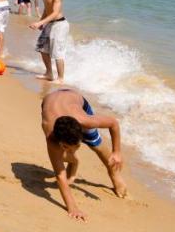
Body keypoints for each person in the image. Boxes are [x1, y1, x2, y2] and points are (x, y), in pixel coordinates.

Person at [41, 88, 127, 220]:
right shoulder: (51, 136)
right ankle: (74, 162)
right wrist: (73, 208)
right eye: (68, 147)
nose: (73, 150)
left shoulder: (85, 120)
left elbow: (114, 123)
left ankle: (114, 174)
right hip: (50, 100)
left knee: (96, 145)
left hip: (74, 99)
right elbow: (60, 176)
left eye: (77, 147)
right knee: (58, 156)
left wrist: (117, 152)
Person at [30, 0, 69, 81]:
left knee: (57, 53)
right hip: (49, 23)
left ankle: (61, 78)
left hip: (60, 25)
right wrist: (42, 22)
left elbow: (55, 12)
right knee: (42, 48)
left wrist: (40, 23)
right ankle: (49, 74)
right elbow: (47, 9)